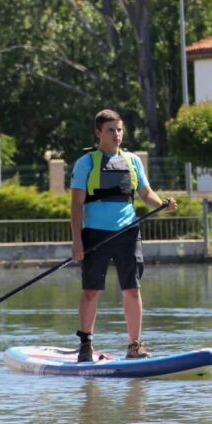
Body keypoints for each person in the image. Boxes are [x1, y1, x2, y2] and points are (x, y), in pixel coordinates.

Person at [70, 109, 177, 362]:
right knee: (91, 291)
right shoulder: (85, 163)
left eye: (119, 129)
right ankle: (85, 343)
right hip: (95, 235)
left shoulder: (133, 161)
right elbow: (76, 206)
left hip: (128, 233)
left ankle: (135, 345)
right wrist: (76, 241)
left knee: (132, 289)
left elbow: (145, 193)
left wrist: (162, 204)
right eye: (110, 130)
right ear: (98, 132)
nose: (117, 134)